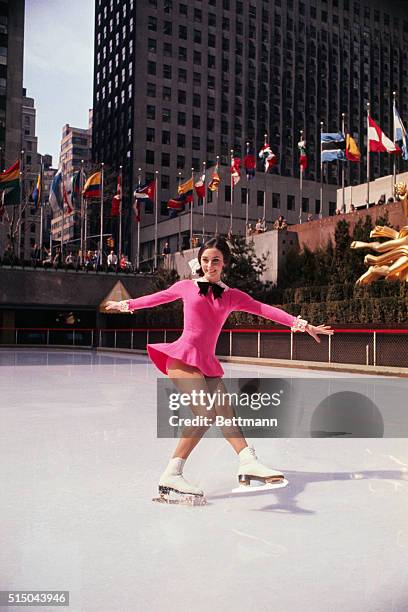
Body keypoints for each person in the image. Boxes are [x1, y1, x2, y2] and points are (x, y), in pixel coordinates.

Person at [106, 236, 333, 502]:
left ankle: (247, 461)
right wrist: (124, 304)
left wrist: (303, 325)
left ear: (224, 263)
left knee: (226, 413)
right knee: (206, 412)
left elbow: (266, 310)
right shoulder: (186, 287)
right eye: (205, 260)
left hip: (206, 361)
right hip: (182, 357)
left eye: (215, 261)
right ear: (199, 262)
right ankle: (172, 473)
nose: (209, 266)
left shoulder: (232, 296)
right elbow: (156, 298)